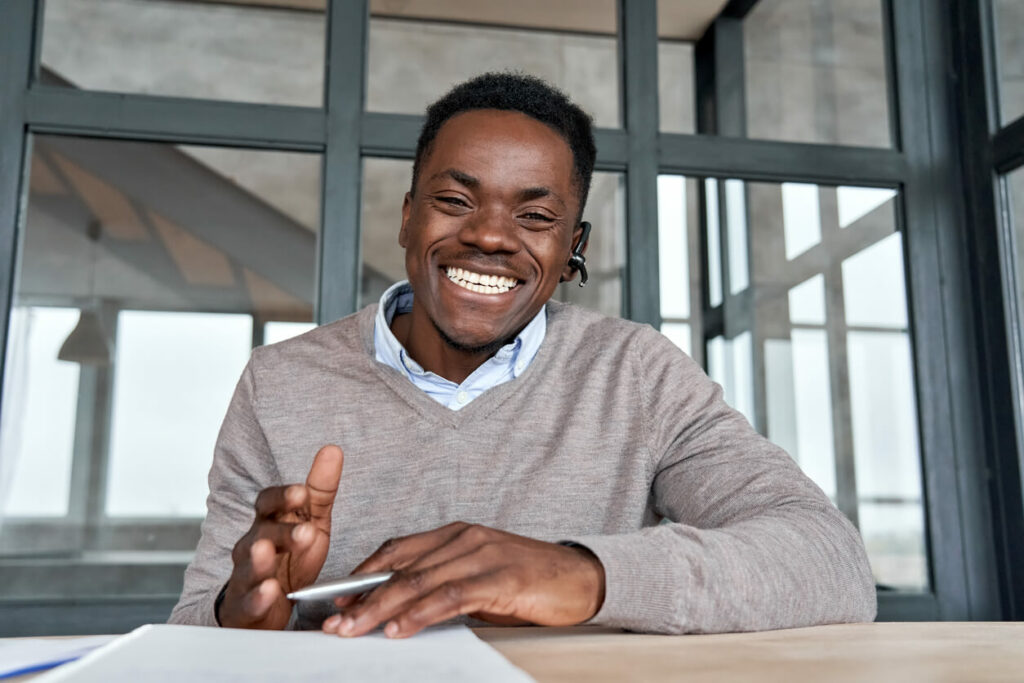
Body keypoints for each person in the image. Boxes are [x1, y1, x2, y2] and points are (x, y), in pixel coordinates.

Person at [168, 72, 876, 637]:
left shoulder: (638, 373)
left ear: (573, 251)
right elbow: (196, 622)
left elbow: (831, 562)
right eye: (455, 199)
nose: (491, 237)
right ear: (408, 216)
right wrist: (248, 613)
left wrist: (578, 572)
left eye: (535, 216)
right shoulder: (280, 381)